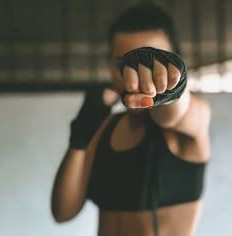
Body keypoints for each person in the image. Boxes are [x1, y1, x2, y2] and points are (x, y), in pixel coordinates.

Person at [51, 3, 211, 236]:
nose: (134, 77)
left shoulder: (186, 124)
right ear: (110, 65)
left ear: (174, 61)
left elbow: (179, 110)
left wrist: (170, 91)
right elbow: (63, 211)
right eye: (123, 65)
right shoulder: (104, 126)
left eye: (150, 63)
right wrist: (82, 130)